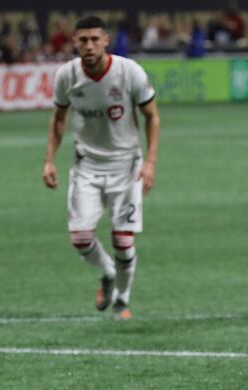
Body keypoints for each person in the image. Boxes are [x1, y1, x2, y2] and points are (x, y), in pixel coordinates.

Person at [42, 16, 160, 321]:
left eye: (95, 39)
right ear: (74, 43)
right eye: (83, 40)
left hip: (126, 167)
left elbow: (152, 116)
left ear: (106, 40)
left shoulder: (128, 71)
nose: (89, 46)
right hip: (87, 167)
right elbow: (58, 119)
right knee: (80, 238)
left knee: (123, 241)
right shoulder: (67, 76)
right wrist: (49, 160)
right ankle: (108, 274)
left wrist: (149, 163)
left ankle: (122, 300)